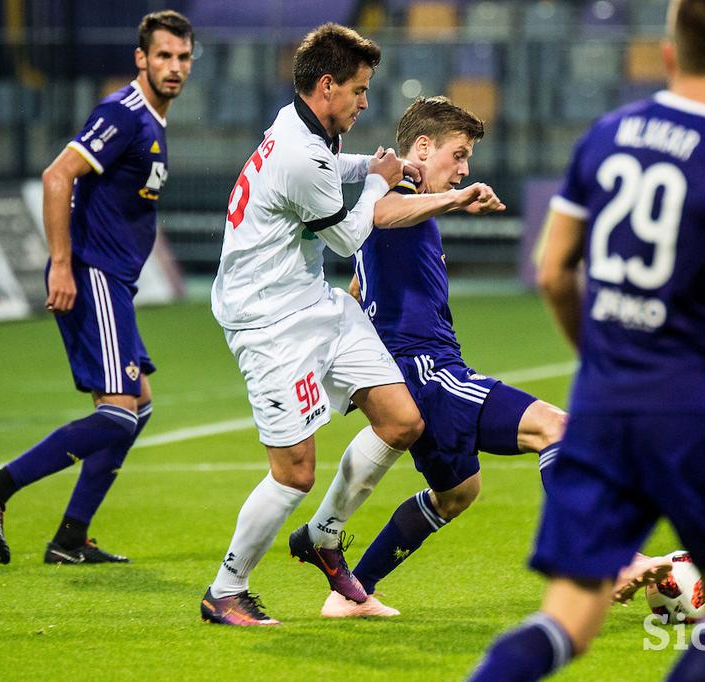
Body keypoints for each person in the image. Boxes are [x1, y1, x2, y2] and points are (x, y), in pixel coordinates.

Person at [471, 1, 705, 680]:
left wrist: (597, 356)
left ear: (668, 54)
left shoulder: (606, 136)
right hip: (693, 414)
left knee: (566, 617)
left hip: (601, 410)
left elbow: (554, 271)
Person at [323, 97, 668, 619]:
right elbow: (379, 213)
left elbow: (361, 278)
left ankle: (350, 594)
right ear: (421, 147)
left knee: (457, 493)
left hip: (416, 371)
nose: (465, 168)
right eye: (458, 155)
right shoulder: (399, 189)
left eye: (468, 160)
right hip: (428, 373)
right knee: (556, 428)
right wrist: (459, 198)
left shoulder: (408, 206)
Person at [201, 23, 427, 626]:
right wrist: (380, 181)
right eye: (358, 89)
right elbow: (349, 236)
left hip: (313, 303)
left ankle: (323, 538)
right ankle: (225, 590)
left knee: (401, 421)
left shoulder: (300, 126)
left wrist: (379, 165)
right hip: (268, 323)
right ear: (326, 86)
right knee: (295, 471)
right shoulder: (301, 154)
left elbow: (333, 167)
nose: (364, 101)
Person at [0, 10, 193, 566]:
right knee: (117, 414)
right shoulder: (124, 112)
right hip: (93, 275)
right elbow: (57, 175)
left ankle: (69, 538)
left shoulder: (154, 120)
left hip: (114, 282)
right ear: (141, 58)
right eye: (163, 56)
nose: (174, 67)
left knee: (139, 408)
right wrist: (62, 263)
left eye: (182, 57)